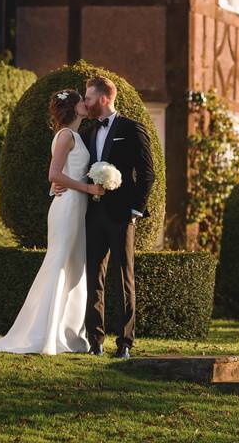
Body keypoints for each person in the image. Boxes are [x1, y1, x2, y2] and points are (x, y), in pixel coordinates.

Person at [0, 89, 104, 355]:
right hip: (69, 207)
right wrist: (87, 189)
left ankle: (66, 334)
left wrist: (66, 186)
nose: (86, 103)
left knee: (73, 266)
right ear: (73, 107)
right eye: (81, 100)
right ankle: (45, 334)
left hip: (74, 205)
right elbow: (54, 173)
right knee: (59, 264)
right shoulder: (66, 136)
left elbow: (58, 178)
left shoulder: (75, 135)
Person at [59, 76, 155, 359]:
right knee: (93, 277)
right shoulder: (87, 132)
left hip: (122, 214)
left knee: (124, 276)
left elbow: (147, 173)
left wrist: (136, 210)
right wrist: (58, 182)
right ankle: (95, 339)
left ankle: (125, 342)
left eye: (88, 98)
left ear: (103, 98)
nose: (85, 103)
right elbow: (77, 169)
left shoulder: (132, 128)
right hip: (93, 213)